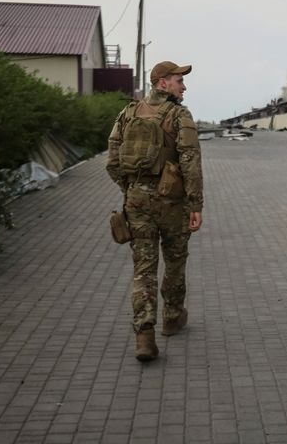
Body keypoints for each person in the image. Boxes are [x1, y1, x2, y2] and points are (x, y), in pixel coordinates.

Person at [106, 60, 204, 362]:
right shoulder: (179, 115)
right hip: (171, 203)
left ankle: (144, 334)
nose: (183, 86)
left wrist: (132, 189)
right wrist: (195, 204)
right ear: (162, 83)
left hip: (136, 202)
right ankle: (172, 317)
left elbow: (112, 160)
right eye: (178, 80)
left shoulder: (128, 113)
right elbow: (190, 162)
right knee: (175, 260)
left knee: (143, 269)